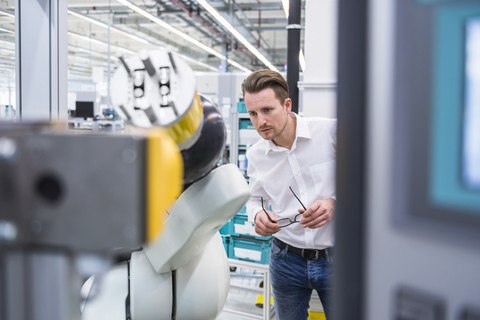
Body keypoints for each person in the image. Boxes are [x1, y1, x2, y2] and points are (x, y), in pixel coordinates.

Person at [242, 69, 336, 320]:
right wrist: (258, 215)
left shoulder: (329, 133)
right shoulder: (255, 155)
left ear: (287, 104)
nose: (260, 121)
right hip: (286, 259)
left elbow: (368, 178)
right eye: (252, 113)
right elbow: (253, 198)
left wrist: (335, 203)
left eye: (267, 110)